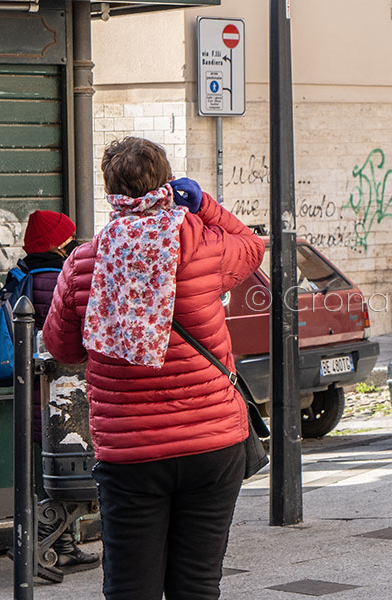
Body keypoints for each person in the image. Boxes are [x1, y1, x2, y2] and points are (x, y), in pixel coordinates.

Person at [43, 137, 264, 599]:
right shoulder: (203, 248)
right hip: (211, 444)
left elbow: (61, 347)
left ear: (110, 191)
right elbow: (251, 246)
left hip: (130, 452)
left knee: (130, 588)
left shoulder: (85, 261)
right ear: (166, 184)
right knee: (197, 585)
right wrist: (205, 205)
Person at [15, 210, 101, 575]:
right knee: (72, 471)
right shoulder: (54, 279)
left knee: (51, 473)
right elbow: (66, 335)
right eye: (68, 239)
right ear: (58, 243)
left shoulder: (22, 274)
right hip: (60, 394)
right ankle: (38, 539)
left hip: (35, 392)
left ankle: (63, 548)